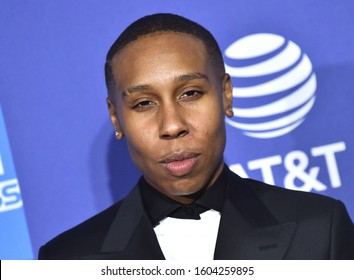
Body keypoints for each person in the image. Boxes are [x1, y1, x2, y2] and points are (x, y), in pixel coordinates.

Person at [38, 13, 354, 260]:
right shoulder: (67, 260)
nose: (172, 125)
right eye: (143, 103)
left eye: (190, 93)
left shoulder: (320, 227)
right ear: (115, 117)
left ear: (226, 95)